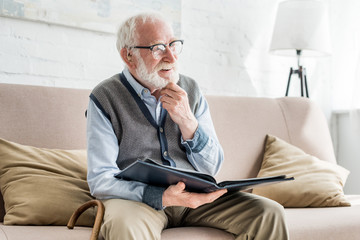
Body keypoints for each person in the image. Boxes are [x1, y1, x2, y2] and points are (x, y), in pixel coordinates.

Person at [86, 12, 289, 240]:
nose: (171, 57)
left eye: (173, 44)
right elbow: (100, 179)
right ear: (128, 56)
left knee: (268, 213)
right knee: (126, 226)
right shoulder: (104, 97)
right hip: (140, 201)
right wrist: (161, 197)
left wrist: (187, 121)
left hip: (196, 198)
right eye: (158, 48)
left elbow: (212, 168)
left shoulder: (191, 89)